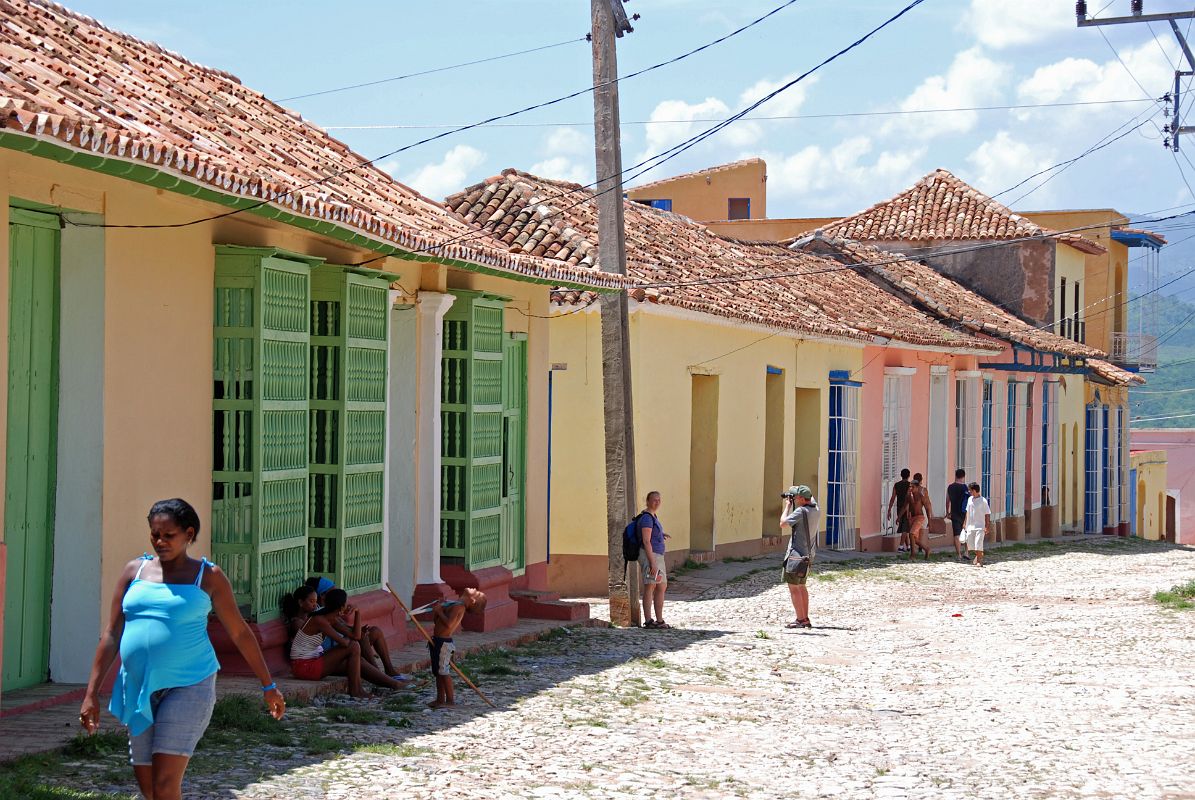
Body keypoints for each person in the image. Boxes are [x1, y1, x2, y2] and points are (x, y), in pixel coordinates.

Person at [78, 498, 286, 800]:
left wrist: (269, 686)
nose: (160, 541)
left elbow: (240, 633)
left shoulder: (208, 576)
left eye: (168, 535)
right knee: (149, 789)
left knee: (164, 784)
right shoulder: (133, 572)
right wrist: (91, 693)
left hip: (189, 685)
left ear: (188, 534)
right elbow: (111, 634)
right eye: (154, 534)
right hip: (138, 688)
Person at [288, 587, 408, 697]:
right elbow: (346, 644)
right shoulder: (319, 620)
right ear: (341, 608)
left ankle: (394, 684)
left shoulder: (331, 619)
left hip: (313, 662)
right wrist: (351, 638)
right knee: (353, 646)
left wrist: (357, 612)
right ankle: (356, 690)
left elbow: (356, 635)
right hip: (304, 667)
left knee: (357, 661)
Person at [305, 576, 401, 677]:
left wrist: (360, 629)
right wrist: (357, 615)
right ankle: (378, 674)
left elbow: (348, 630)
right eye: (333, 591)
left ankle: (389, 670)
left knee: (375, 631)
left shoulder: (330, 612)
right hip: (330, 655)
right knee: (358, 639)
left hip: (342, 647)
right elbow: (354, 636)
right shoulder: (321, 615)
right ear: (323, 595)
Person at [427, 588, 487, 708]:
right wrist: (440, 610)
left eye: (477, 592)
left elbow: (449, 625)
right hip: (438, 640)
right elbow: (437, 622)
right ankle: (440, 699)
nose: (474, 588)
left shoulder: (459, 608)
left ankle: (450, 700)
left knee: (444, 671)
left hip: (444, 643)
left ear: (473, 600)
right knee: (438, 672)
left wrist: (439, 611)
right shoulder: (454, 605)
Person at [780, 485, 820, 629]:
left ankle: (800, 619)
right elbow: (811, 497)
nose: (794, 499)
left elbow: (783, 523)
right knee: (802, 586)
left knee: (794, 588)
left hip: (796, 556)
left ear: (802, 499)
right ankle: (805, 618)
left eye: (796, 497)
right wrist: (795, 494)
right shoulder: (815, 509)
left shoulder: (800, 511)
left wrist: (787, 506)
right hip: (808, 555)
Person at [637, 491, 671, 629]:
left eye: (659, 500)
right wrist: (652, 563)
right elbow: (646, 541)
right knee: (650, 586)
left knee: (661, 586)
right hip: (650, 555)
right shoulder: (646, 518)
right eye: (654, 500)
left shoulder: (653, 516)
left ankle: (659, 620)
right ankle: (649, 620)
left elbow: (651, 535)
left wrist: (660, 534)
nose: (657, 502)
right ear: (647, 501)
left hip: (657, 555)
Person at [963, 482, 993, 567]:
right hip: (970, 526)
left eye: (970, 491)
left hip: (980, 526)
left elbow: (987, 514)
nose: (969, 492)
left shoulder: (983, 501)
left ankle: (979, 561)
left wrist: (987, 526)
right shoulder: (969, 499)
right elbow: (967, 511)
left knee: (978, 543)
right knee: (971, 545)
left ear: (974, 490)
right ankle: (979, 554)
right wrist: (964, 522)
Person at [945, 469, 971, 562]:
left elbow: (947, 500)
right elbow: (969, 501)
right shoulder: (965, 488)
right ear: (964, 476)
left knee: (956, 534)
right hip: (965, 513)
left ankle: (959, 554)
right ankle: (966, 552)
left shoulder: (950, 487)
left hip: (954, 513)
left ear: (955, 475)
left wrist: (947, 512)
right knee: (966, 532)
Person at [907, 474, 934, 561]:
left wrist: (929, 520)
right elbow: (908, 503)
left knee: (912, 534)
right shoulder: (913, 489)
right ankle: (926, 549)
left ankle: (913, 554)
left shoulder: (922, 491)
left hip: (919, 516)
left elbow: (927, 505)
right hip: (913, 516)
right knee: (914, 536)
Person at [886, 468, 912, 551]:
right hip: (907, 508)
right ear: (909, 476)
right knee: (905, 528)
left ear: (901, 475)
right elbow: (909, 498)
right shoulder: (910, 485)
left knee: (905, 527)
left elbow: (893, 498)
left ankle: (908, 547)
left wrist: (889, 510)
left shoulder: (896, 485)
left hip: (899, 507)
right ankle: (901, 546)